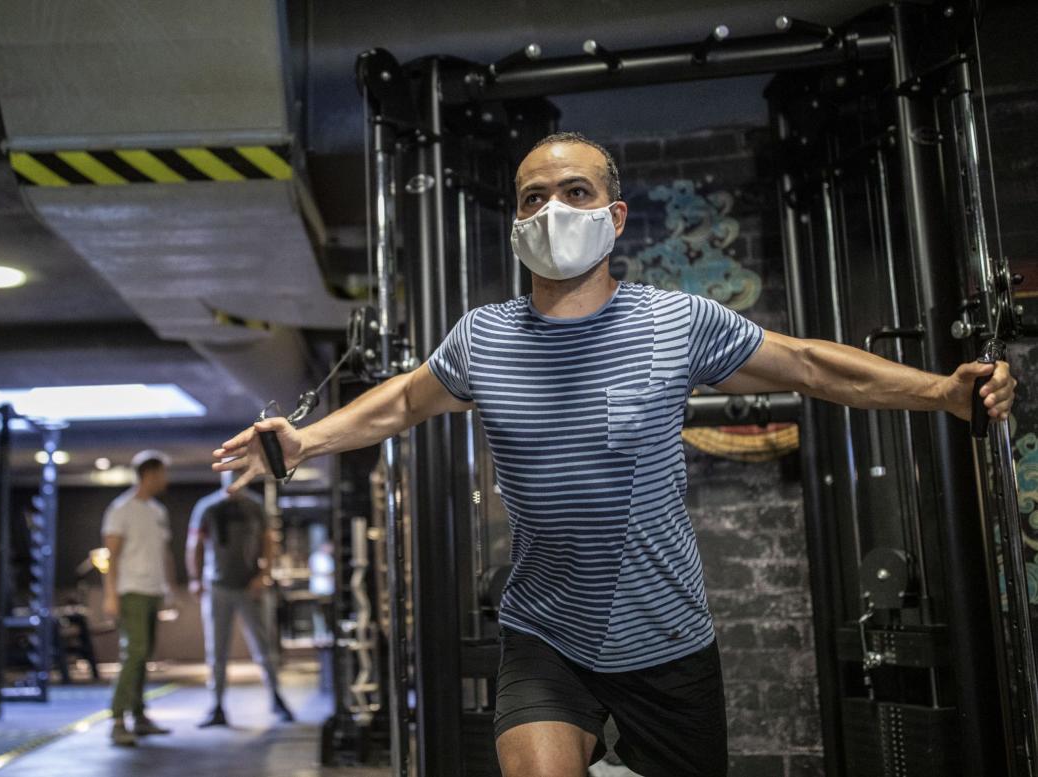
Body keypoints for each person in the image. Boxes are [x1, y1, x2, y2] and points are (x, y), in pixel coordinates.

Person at [211, 131, 1018, 777]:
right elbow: (404, 400)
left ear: (616, 215)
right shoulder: (484, 339)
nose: (553, 209)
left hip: (668, 638)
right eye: (534, 198)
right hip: (545, 634)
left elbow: (809, 364)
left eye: (575, 192)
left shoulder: (677, 322)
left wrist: (942, 392)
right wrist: (303, 439)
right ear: (517, 223)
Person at [186, 470, 294, 727]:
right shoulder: (208, 506)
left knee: (263, 647)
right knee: (217, 650)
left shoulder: (255, 505)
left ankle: (277, 698)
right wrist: (195, 578)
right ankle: (217, 706)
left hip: (249, 585)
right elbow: (195, 545)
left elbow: (269, 541)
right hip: (218, 586)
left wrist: (263, 575)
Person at [102, 450, 179, 746]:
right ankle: (118, 719)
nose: (165, 480)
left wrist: (169, 588)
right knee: (133, 654)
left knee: (143, 656)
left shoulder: (158, 512)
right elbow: (112, 556)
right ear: (149, 475)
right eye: (162, 474)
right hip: (130, 591)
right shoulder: (120, 510)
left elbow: (165, 554)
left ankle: (140, 716)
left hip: (153, 591)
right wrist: (111, 595)